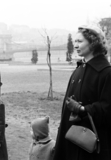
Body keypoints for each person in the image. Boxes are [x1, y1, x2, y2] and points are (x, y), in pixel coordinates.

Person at [53, 25, 111, 160]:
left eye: (80, 41)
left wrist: (83, 109)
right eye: (75, 41)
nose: (76, 45)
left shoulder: (106, 72)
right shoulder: (78, 70)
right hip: (70, 139)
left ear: (93, 43)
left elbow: (108, 107)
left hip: (91, 145)